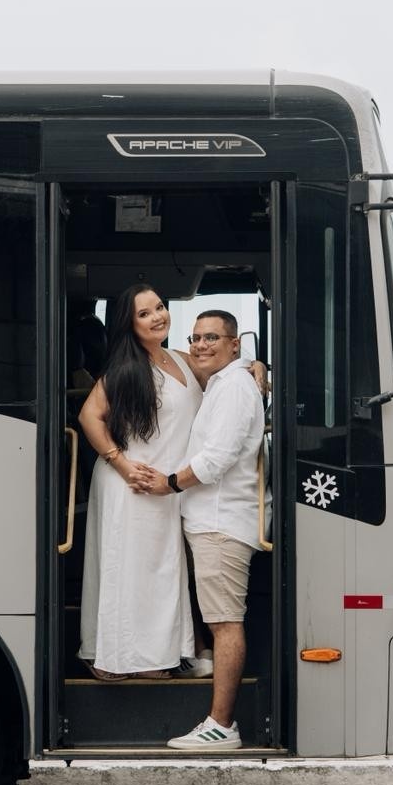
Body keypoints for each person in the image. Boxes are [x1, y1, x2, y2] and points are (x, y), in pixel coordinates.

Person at [130, 309, 267, 749]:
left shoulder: (234, 389)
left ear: (234, 345)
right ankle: (203, 672)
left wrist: (168, 483)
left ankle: (222, 725)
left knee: (226, 622)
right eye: (195, 338)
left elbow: (216, 460)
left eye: (212, 337)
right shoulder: (228, 382)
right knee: (216, 615)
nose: (201, 345)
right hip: (210, 519)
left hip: (222, 522)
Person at [77, 285, 205, 679]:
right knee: (128, 572)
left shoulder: (180, 360)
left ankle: (151, 658)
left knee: (159, 573)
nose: (158, 316)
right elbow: (88, 417)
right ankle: (114, 662)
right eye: (145, 313)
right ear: (129, 324)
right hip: (129, 484)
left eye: (160, 307)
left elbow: (224, 368)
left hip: (167, 487)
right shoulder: (125, 368)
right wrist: (122, 464)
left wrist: (258, 368)